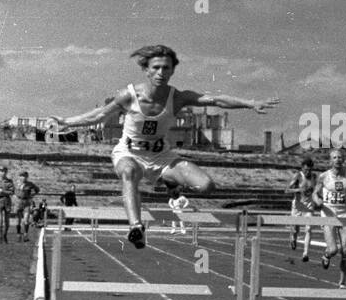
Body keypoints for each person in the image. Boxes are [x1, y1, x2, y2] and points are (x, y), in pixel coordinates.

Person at [48, 44, 278, 250]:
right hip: (130, 154)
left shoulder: (177, 98)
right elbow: (99, 115)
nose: (161, 73)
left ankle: (168, 180)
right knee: (128, 172)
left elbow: (215, 100)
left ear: (172, 71)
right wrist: (68, 122)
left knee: (206, 185)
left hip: (162, 157)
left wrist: (250, 103)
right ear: (146, 70)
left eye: (166, 68)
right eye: (156, 67)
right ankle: (136, 227)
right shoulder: (129, 96)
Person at [314, 148, 346, 288]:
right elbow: (315, 193)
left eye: (340, 157)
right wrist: (317, 200)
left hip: (344, 214)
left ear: (344, 159)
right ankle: (326, 255)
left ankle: (342, 282)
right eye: (335, 157)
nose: (338, 159)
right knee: (333, 250)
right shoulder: (324, 177)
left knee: (345, 250)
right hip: (328, 214)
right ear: (330, 161)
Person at [286, 157, 318, 262]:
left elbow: (318, 190)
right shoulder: (298, 176)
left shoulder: (314, 177)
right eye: (305, 170)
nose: (307, 172)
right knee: (295, 230)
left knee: (308, 229)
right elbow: (287, 190)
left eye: (309, 170)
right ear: (302, 169)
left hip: (309, 207)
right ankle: (293, 239)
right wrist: (299, 189)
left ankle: (305, 253)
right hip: (298, 207)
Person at [13, 170, 40, 241]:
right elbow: (13, 191)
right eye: (21, 176)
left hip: (26, 202)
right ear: (19, 177)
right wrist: (15, 197)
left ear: (27, 177)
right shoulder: (16, 184)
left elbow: (37, 190)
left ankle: (25, 234)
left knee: (26, 219)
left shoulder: (30, 184)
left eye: (24, 176)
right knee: (18, 220)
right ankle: (18, 234)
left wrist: (32, 195)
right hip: (18, 202)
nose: (23, 178)